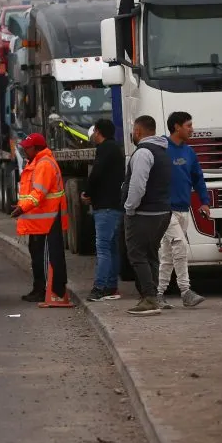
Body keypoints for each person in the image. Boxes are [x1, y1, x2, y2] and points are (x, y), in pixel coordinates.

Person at [10, 133, 72, 306]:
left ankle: (47, 291)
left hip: (47, 220)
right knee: (38, 256)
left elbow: (38, 194)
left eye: (26, 147)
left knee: (45, 258)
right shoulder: (37, 162)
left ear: (36, 148)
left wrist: (22, 208)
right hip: (41, 221)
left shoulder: (44, 164)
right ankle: (40, 289)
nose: (23, 150)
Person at [121, 115, 173, 316]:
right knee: (151, 254)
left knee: (137, 255)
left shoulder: (143, 152)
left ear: (138, 131)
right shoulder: (162, 151)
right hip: (162, 211)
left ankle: (149, 298)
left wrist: (129, 207)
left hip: (144, 213)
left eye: (134, 130)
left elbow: (137, 185)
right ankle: (152, 296)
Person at [158, 111, 208, 309]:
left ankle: (158, 293)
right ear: (177, 127)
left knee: (168, 254)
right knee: (180, 245)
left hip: (184, 210)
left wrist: (204, 201)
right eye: (188, 125)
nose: (192, 129)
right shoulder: (161, 148)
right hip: (165, 210)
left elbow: (198, 177)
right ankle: (185, 291)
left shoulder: (189, 152)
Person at [81, 119, 126, 302]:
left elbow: (96, 173)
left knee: (103, 248)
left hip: (105, 207)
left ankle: (99, 288)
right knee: (113, 248)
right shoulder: (116, 149)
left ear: (98, 132)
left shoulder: (105, 148)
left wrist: (87, 192)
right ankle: (111, 286)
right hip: (116, 205)